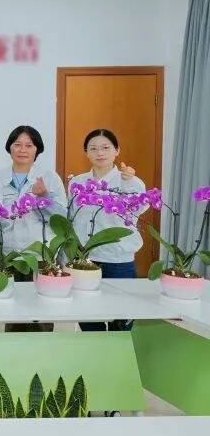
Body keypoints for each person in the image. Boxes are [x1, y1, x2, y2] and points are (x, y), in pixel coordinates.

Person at [72, 128, 147, 332]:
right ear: (86, 152)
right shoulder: (77, 182)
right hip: (85, 260)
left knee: (120, 318)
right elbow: (71, 218)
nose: (100, 153)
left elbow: (138, 209)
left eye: (106, 147)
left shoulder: (131, 181)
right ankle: (96, 350)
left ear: (117, 150)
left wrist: (128, 183)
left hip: (118, 259)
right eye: (93, 148)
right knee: (87, 316)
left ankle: (120, 351)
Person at [0, 125, 66, 276]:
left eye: (29, 145)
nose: (22, 150)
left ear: (37, 149)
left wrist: (44, 198)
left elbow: (62, 218)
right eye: (17, 144)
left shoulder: (49, 177)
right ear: (9, 148)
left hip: (41, 256)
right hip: (8, 255)